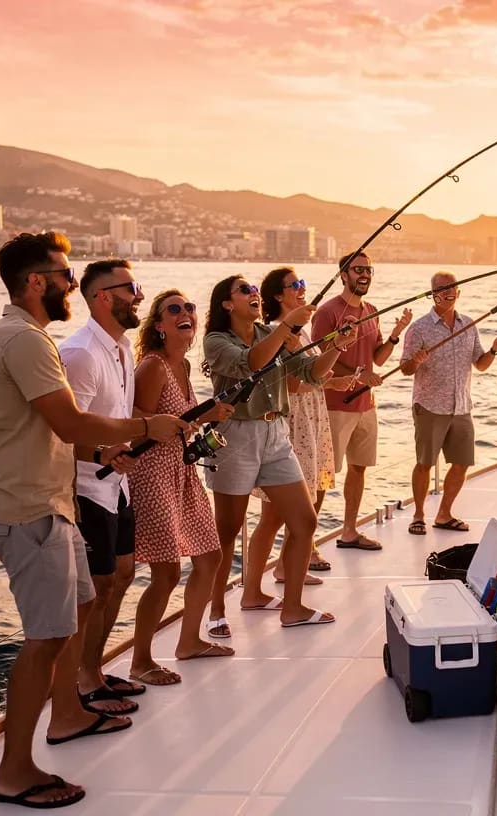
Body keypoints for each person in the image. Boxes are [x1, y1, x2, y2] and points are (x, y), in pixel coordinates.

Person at [0, 232, 187, 809]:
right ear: (36, 282)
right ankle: (14, 773)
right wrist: (146, 429)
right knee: (43, 639)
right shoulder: (25, 340)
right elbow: (70, 422)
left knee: (70, 618)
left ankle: (66, 714)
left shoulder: (26, 337)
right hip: (28, 509)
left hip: (53, 502)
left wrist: (101, 453)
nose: (71, 283)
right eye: (66, 276)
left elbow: (53, 433)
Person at [203, 274, 355, 630]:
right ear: (227, 304)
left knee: (305, 521)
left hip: (276, 433)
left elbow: (312, 374)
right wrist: (286, 326)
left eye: (254, 289)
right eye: (245, 291)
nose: (254, 294)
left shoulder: (272, 335)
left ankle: (293, 609)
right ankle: (215, 613)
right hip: (236, 435)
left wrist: (336, 345)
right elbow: (252, 362)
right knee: (227, 531)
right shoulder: (216, 340)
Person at [128, 290, 236, 685]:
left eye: (189, 307)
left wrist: (205, 414)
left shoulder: (185, 366)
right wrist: (184, 418)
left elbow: (178, 418)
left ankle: (189, 641)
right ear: (158, 325)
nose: (185, 313)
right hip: (153, 472)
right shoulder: (152, 366)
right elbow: (135, 419)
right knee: (166, 572)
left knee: (210, 555)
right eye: (173, 309)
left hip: (181, 469)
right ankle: (140, 660)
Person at [58, 259, 147, 716]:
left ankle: (92, 667)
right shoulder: (81, 354)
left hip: (118, 486)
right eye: (132, 287)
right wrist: (106, 451)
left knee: (125, 575)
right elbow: (66, 432)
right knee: (99, 585)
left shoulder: (122, 347)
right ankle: (82, 682)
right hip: (86, 489)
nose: (140, 295)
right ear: (102, 297)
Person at [243, 267, 360, 594]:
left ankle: (284, 567)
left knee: (298, 508)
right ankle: (251, 586)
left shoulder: (302, 333)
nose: (302, 289)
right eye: (294, 285)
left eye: (303, 283)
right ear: (278, 295)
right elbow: (293, 384)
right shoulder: (275, 333)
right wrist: (321, 378)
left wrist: (334, 371)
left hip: (310, 422)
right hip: (292, 427)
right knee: (273, 516)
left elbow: (311, 376)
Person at [311, 251, 412, 551]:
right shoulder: (328, 312)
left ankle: (349, 532)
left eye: (368, 269)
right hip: (334, 405)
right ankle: (308, 546)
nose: (364, 274)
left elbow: (376, 359)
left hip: (366, 406)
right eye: (358, 269)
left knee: (359, 468)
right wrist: (358, 373)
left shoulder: (372, 311)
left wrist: (395, 335)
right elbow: (318, 360)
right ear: (343, 274)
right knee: (323, 475)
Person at [399, 271, 497, 536]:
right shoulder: (419, 328)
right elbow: (404, 368)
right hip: (429, 406)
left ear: (458, 292)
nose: (448, 291)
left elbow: (480, 364)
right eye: (441, 288)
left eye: (452, 288)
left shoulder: (469, 325)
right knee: (425, 463)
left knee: (462, 463)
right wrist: (416, 361)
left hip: (461, 406)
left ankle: (444, 514)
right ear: (433, 294)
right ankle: (418, 515)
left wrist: (494, 350)